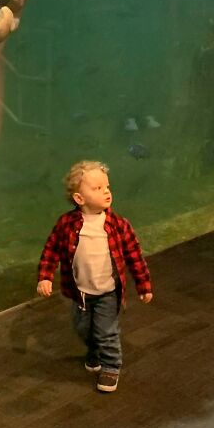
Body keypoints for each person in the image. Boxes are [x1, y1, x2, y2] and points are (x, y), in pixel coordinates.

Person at [37, 159, 153, 393]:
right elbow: (51, 249)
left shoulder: (118, 225)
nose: (106, 191)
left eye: (107, 186)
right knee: (82, 329)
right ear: (79, 199)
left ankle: (111, 367)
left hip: (107, 293)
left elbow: (134, 256)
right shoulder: (67, 224)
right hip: (79, 292)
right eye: (98, 188)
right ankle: (94, 351)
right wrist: (45, 276)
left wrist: (144, 285)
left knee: (106, 331)